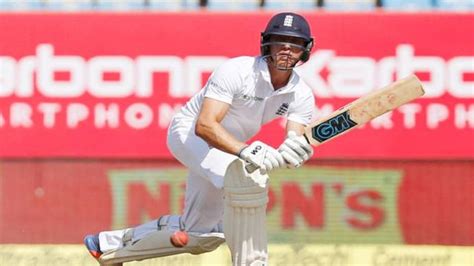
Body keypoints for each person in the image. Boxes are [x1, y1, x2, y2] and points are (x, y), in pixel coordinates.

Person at [84, 12, 315, 265]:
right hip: (189, 134)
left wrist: (296, 151)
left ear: (305, 50)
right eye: (279, 41)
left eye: (294, 44)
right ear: (266, 43)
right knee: (248, 181)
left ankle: (109, 247)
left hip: (229, 149)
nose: (286, 49)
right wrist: (247, 151)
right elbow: (205, 126)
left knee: (200, 236)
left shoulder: (301, 94)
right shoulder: (237, 71)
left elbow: (294, 138)